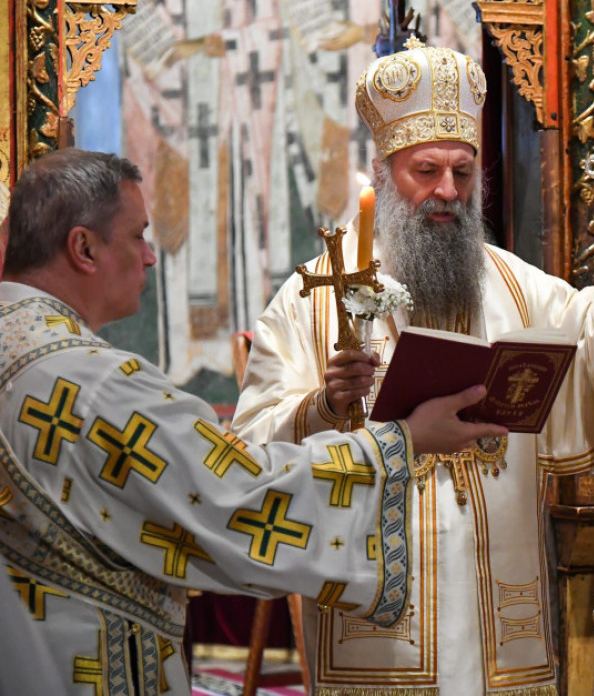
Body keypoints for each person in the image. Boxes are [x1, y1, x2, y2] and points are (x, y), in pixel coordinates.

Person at [232, 39, 594, 694]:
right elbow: (247, 455)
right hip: (379, 635)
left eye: (463, 174)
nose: (448, 191)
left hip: (503, 619)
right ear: (382, 173)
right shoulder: (313, 300)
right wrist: (322, 408)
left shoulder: (517, 289)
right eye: (426, 171)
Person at [0, 148, 507, 695]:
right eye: (138, 235)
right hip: (74, 664)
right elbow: (236, 494)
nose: (150, 257)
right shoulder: (90, 384)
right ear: (83, 247)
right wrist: (402, 441)